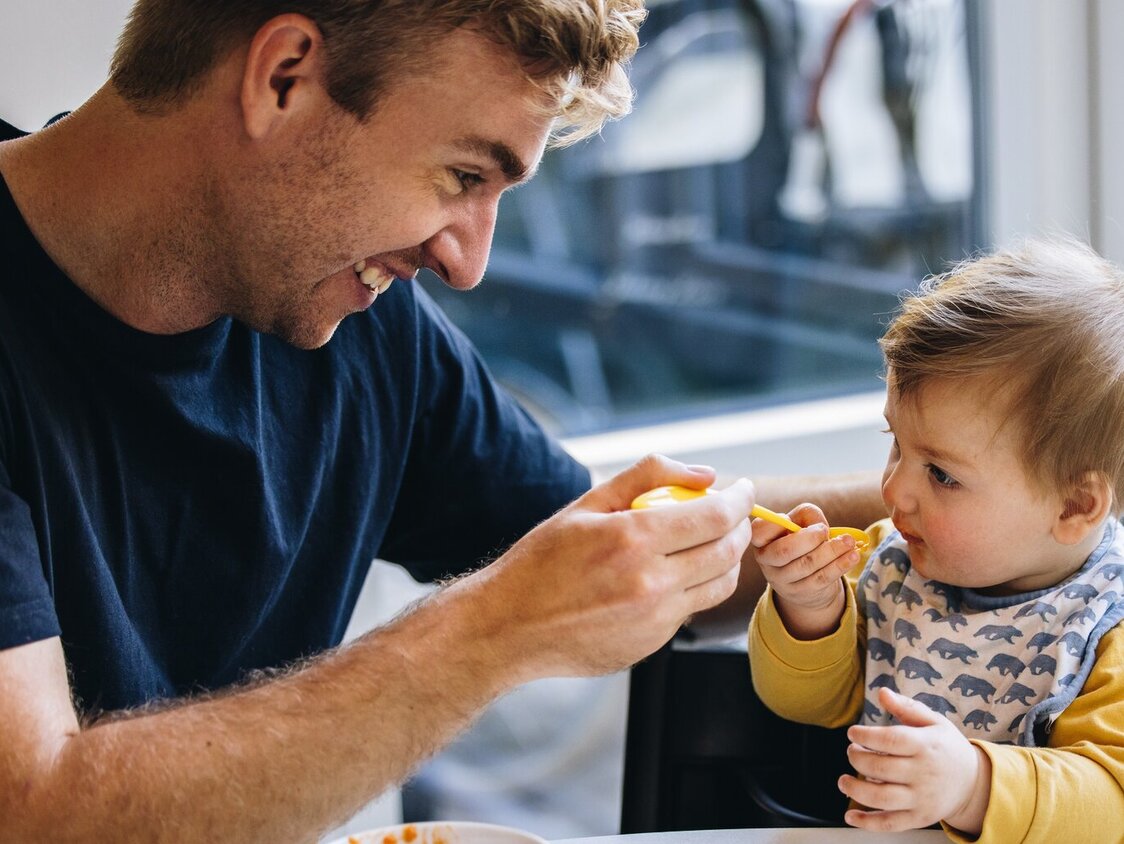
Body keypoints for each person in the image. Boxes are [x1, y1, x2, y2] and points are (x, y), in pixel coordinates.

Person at [0, 2, 781, 839]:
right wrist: (486, 634)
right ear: (284, 77)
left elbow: (621, 546)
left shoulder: (357, 319)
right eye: (464, 177)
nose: (467, 264)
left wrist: (918, 498)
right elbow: (35, 812)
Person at [748, 238, 1124, 841]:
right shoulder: (891, 560)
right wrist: (813, 613)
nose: (893, 490)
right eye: (896, 443)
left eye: (942, 473)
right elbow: (806, 703)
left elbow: (1113, 804)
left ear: (1076, 505)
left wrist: (974, 785)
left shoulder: (1110, 626)